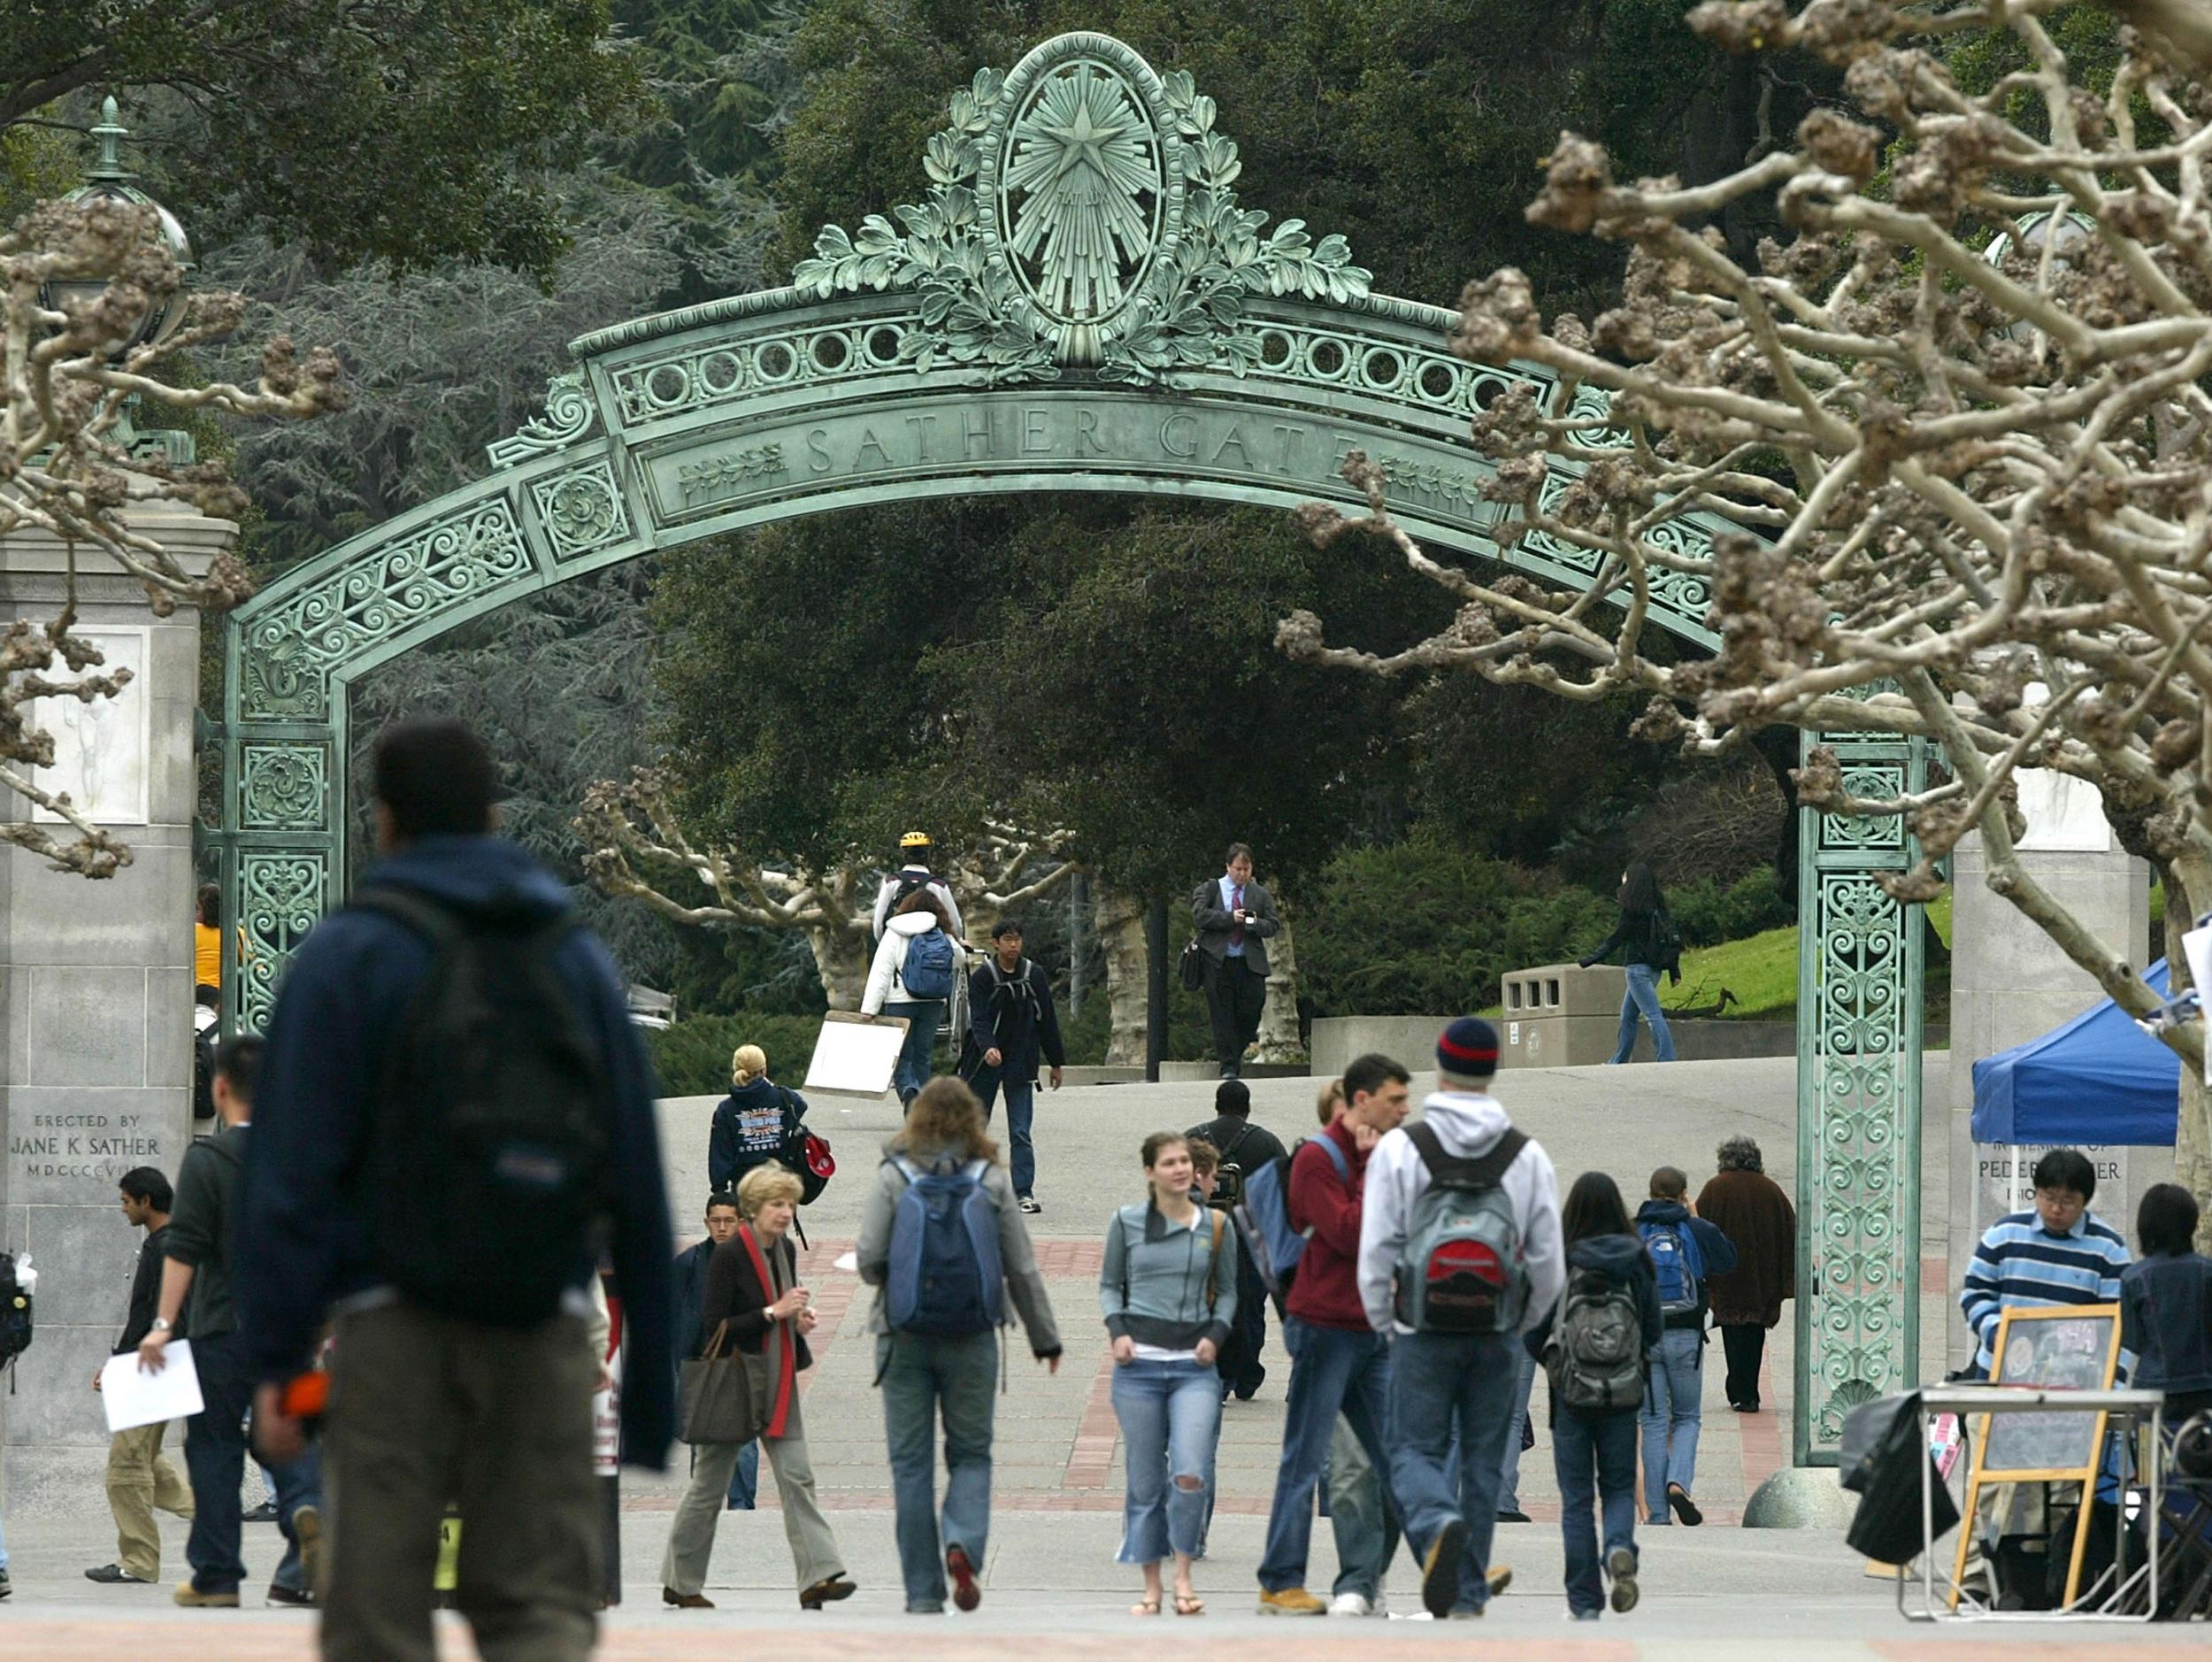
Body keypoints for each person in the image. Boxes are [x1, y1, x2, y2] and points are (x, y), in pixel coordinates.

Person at [234, 717, 676, 1662]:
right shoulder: (571, 957)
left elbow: (288, 1181)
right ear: (493, 815)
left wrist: (276, 1364)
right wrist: (649, 1406)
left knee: (378, 1614)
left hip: (390, 1325)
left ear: (385, 821)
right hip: (545, 1318)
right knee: (538, 1609)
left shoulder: (345, 955)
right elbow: (636, 1171)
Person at [1358, 1019, 1564, 1620]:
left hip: (1421, 1327)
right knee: (1481, 1457)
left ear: (1441, 1070)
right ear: (1493, 1070)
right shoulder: (1524, 1153)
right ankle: (1468, 1591)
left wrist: (1385, 1321)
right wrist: (1521, 1321)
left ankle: (1435, 1521)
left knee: (1411, 1450)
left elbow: (1377, 1249)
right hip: (1496, 1330)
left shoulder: (1403, 1147)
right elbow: (1550, 1261)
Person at [858, 1076, 1062, 1614]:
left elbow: (867, 1258)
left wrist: (902, 1275)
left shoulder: (894, 1174)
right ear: (974, 1119)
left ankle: (922, 1594)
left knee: (910, 1465)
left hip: (902, 1336)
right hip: (973, 1336)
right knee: (971, 1454)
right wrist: (1046, 1339)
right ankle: (962, 1542)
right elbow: (1020, 1266)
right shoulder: (991, 1179)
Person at [136, 1036, 323, 1611]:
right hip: (291, 1327)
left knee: (214, 1447)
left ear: (219, 1089)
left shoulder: (206, 1160)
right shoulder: (300, 1157)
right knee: (292, 1434)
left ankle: (217, 1576)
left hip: (220, 1328)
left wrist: (162, 1323)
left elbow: (183, 1247)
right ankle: (304, 1509)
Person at [1254, 1052, 1410, 1615]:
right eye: (1395, 1101)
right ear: (1358, 1103)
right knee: (1306, 1456)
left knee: (1395, 1453)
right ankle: (1279, 1579)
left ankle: (1454, 1565)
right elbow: (1347, 1232)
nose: (1403, 1113)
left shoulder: (1375, 1156)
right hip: (1324, 1324)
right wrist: (1372, 1173)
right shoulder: (1319, 1158)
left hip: (1368, 1326)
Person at [664, 1163, 854, 1612]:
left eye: (789, 1203)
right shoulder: (728, 1256)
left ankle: (819, 1576)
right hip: (732, 1382)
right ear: (754, 1209)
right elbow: (716, 1327)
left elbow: (780, 1307)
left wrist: (797, 1318)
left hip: (776, 1379)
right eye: (776, 1205)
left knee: (797, 1477)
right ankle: (680, 1580)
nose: (786, 1212)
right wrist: (773, 1312)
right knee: (707, 1488)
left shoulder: (783, 1250)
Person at [1956, 1147, 2131, 1602]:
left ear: (2085, 1201)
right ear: (2035, 1193)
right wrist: (2001, 1334)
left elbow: (2121, 1325)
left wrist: (2109, 1385)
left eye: (2067, 1201)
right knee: (1989, 1486)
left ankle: (2046, 1582)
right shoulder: (2004, 1235)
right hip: (2001, 1387)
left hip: (2070, 1399)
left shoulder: (2108, 1250)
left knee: (2057, 1492)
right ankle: (1976, 1581)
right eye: (2048, 1197)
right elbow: (1974, 1293)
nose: (2056, 1209)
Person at [1102, 1132, 1235, 1618]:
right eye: (1169, 1162)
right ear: (1150, 1172)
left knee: (1190, 1471)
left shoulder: (1217, 1225)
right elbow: (1109, 1285)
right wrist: (1117, 1332)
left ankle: (1184, 1574)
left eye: (1185, 1161)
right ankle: (1153, 1586)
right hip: (1138, 1368)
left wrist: (1216, 1335)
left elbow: (1232, 1293)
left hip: (1193, 1368)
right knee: (1144, 1481)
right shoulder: (1127, 1223)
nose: (1180, 1169)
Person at [1525, 1172, 1662, 1620]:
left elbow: (1534, 1332)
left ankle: (1584, 1602)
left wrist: (1559, 1365)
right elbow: (1654, 1330)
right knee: (1619, 1487)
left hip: (1571, 1398)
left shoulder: (1562, 1259)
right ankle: (1619, 1549)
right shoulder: (1637, 1259)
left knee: (1577, 1500)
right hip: (1623, 1395)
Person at [88, 1166, 196, 1586]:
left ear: (146, 1201)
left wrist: (121, 1365)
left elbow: (154, 1315)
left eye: (126, 1201)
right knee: (148, 1460)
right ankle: (214, 1517)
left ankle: (138, 1562)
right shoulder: (168, 1243)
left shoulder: (164, 1246)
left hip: (151, 1368)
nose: (122, 1209)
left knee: (125, 1469)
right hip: (155, 1366)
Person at [1633, 1166, 1738, 1527]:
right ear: (1683, 1195)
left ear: (1650, 1192)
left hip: (1646, 1338)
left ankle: (1658, 1515)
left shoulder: (1634, 1230)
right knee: (1688, 1416)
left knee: (1653, 1420)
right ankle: (1678, 1482)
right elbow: (1727, 1260)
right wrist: (1696, 1219)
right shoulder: (1695, 1229)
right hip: (1687, 1336)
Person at [1186, 1077, 1288, 1401]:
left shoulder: (1191, 1140)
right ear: (1247, 1107)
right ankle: (1247, 1374)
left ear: (1216, 1105)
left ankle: (1212, 1371)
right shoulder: (1267, 1143)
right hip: (1251, 1238)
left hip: (1201, 1235)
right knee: (1251, 1306)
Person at [963, 919, 1066, 1214]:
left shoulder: (1034, 975)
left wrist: (1056, 1062)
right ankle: (974, 1189)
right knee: (976, 1127)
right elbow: (979, 1019)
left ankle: (1023, 1191)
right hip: (985, 1061)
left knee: (1020, 1131)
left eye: (1018, 939)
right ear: (996, 943)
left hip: (1022, 1060)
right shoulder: (983, 977)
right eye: (1008, 939)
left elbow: (1047, 1019)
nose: (1013, 945)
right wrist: (988, 1047)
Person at [1694, 1136, 1796, 1414]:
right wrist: (1787, 1277)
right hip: (1762, 1279)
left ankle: (1740, 1392)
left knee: (1733, 1333)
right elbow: (1790, 1232)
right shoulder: (1771, 1190)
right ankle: (1747, 1391)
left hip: (1727, 1277)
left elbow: (1699, 1228)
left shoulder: (1716, 1188)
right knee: (1754, 1334)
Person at [673, 1194, 757, 1512]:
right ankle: (704, 1507)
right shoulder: (689, 1263)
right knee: (703, 1443)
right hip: (701, 1364)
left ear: (741, 1223)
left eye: (728, 1221)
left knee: (745, 1444)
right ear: (706, 1222)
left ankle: (741, 1507)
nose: (721, 1228)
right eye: (716, 1221)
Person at [2121, 1183, 2212, 1426]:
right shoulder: (2207, 1271)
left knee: (2153, 1458)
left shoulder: (2132, 1278)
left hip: (2152, 1390)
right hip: (2204, 1388)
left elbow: (2133, 1341)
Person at [1189, 843, 1281, 1080]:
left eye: (1246, 869)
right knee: (1222, 1014)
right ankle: (1229, 1065)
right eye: (1238, 869)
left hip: (1248, 962)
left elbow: (1273, 925)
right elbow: (1200, 916)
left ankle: (1236, 1051)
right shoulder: (1210, 889)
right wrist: (1230, 918)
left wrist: (1250, 922)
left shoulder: (1259, 894)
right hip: (1218, 962)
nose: (1242, 874)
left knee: (1251, 1010)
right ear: (1228, 867)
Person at [863, 888, 959, 1108]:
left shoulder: (894, 931)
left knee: (900, 1056)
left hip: (899, 1002)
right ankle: (922, 1106)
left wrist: (869, 1009)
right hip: (933, 1002)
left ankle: (909, 1090)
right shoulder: (940, 932)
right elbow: (959, 959)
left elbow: (881, 971)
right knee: (923, 1055)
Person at [1578, 863, 1680, 1065]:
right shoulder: (1658, 908)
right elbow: (1670, 940)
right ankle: (1619, 1059)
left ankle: (1667, 1058)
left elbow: (1615, 940)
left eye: (1625, 877)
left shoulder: (1631, 911)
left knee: (1652, 1015)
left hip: (1637, 971)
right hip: (1655, 970)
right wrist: (1674, 970)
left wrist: (1589, 960)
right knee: (1628, 1016)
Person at [708, 1044, 812, 1198]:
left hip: (744, 1187)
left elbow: (720, 1152)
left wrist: (719, 1188)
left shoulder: (726, 1109)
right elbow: (801, 1106)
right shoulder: (784, 1097)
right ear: (764, 1070)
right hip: (778, 1181)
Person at [872, 831, 966, 943]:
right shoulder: (938, 885)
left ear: (904, 855)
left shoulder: (891, 882)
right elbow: (954, 924)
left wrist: (883, 943)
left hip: (895, 943)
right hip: (931, 947)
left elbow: (878, 922)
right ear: (927, 856)